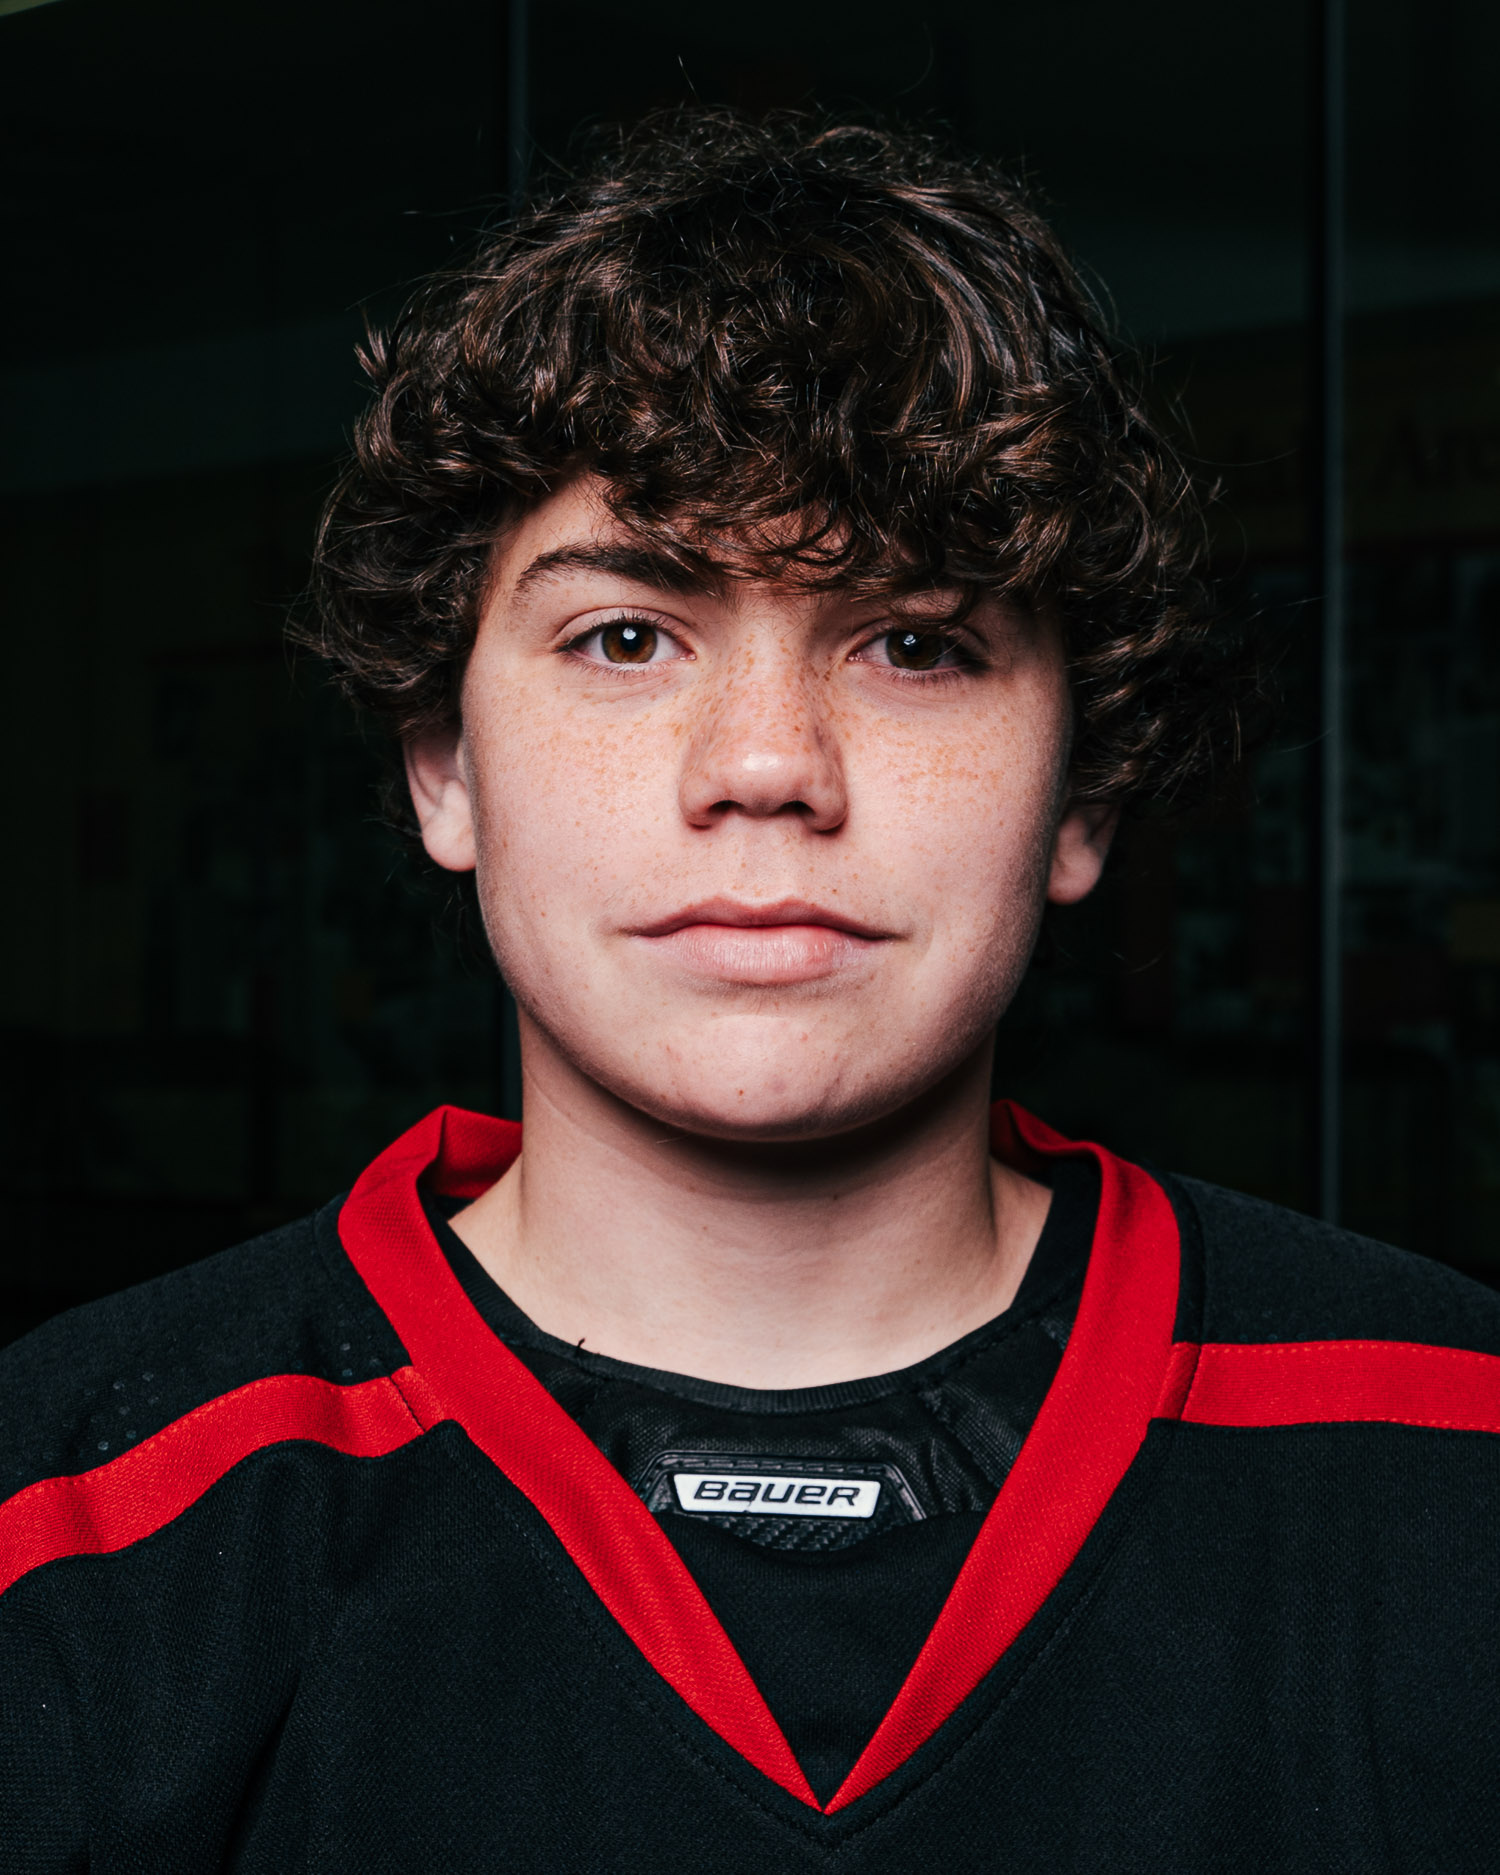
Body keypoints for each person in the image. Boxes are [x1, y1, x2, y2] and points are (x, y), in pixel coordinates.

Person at [2, 112, 1496, 1872]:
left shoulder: (1451, 1454)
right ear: (445, 772)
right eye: (627, 638)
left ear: (1082, 798)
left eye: (915, 643)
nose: (769, 765)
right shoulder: (69, 1516)